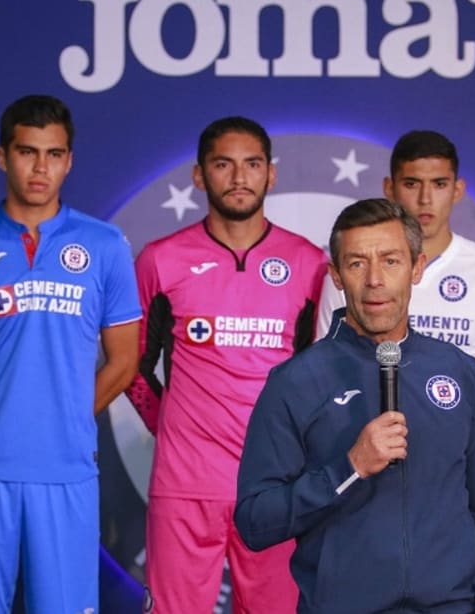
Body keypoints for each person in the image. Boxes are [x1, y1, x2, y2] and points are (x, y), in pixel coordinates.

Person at [236, 198, 475, 613]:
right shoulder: (295, 382)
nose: (374, 280)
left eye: (390, 261)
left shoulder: (458, 371)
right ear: (335, 276)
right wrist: (347, 469)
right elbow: (255, 522)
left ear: (416, 268)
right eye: (356, 264)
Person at [0, 95, 142, 612]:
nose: (40, 167)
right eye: (27, 152)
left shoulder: (104, 245)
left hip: (66, 468)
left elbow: (124, 361)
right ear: (1, 156)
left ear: (69, 160)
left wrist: (67, 416)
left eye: (54, 154)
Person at [125, 116, 328, 613]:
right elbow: (130, 365)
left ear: (270, 175)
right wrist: (168, 424)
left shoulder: (308, 264)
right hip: (185, 484)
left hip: (275, 482)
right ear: (199, 176)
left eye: (252, 164)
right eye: (223, 164)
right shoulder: (161, 260)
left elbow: (317, 374)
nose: (239, 177)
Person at [316, 130, 475, 411]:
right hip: (365, 434)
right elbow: (324, 368)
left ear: (458, 189)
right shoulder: (353, 268)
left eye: (439, 184)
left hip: (452, 443)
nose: (425, 199)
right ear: (389, 187)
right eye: (412, 184)